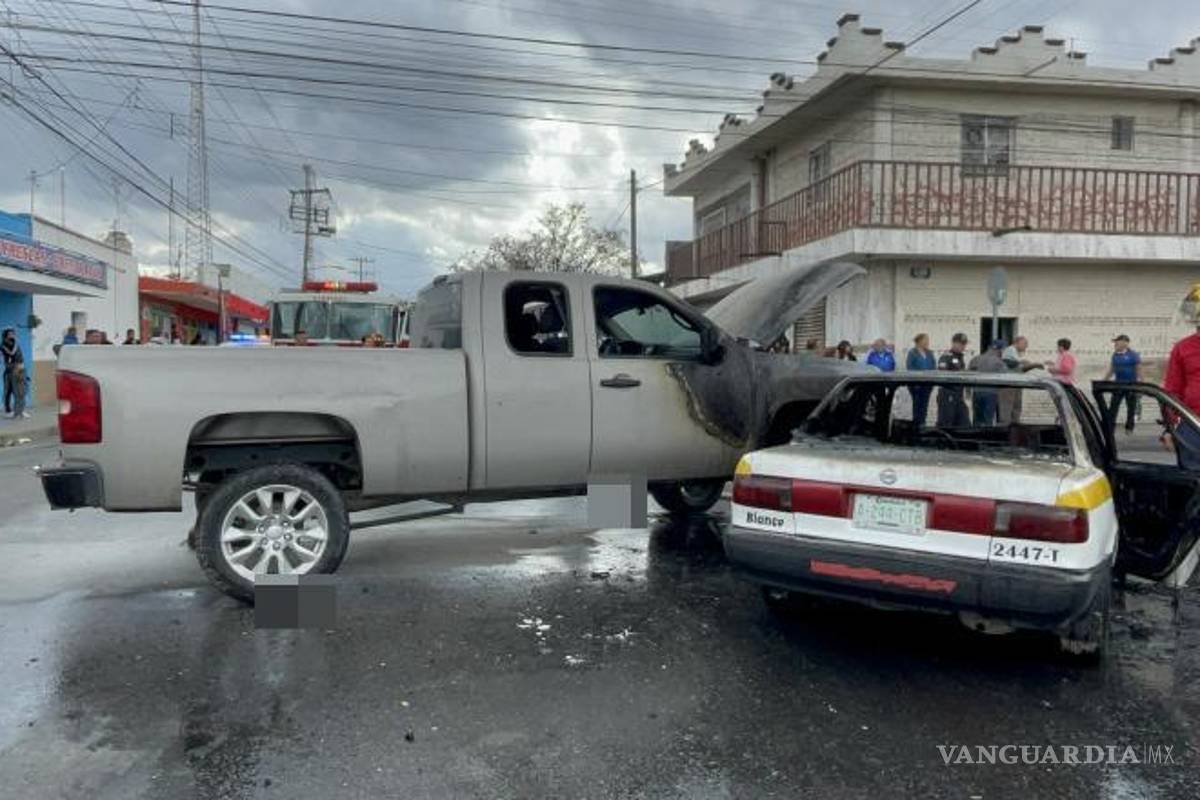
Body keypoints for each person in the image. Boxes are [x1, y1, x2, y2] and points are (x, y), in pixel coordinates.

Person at [1103, 334, 1143, 433]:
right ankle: (1110, 427)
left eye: (1117, 341)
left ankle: (1129, 427)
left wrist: (1141, 385)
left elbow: (1139, 370)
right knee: (1113, 407)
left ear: (1125, 342)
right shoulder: (1115, 355)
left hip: (1131, 385)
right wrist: (1104, 380)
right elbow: (1111, 370)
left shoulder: (1133, 355)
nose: (1115, 344)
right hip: (1118, 385)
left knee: (1131, 408)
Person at [969, 339, 1009, 425]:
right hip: (991, 393)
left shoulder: (975, 359)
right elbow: (1005, 378)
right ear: (1000, 350)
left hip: (977, 392)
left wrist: (968, 392)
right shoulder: (999, 363)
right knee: (988, 420)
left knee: (977, 420)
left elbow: (968, 376)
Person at [936, 332, 971, 427]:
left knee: (964, 423)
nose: (963, 346)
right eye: (961, 344)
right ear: (954, 343)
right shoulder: (946, 357)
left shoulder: (960, 358)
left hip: (958, 395)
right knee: (946, 422)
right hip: (948, 393)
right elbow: (942, 374)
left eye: (964, 344)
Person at [906, 333, 937, 427]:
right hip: (916, 385)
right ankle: (916, 425)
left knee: (924, 406)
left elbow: (933, 366)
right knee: (917, 406)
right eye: (925, 340)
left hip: (927, 384)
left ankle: (923, 424)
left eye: (928, 340)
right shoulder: (912, 353)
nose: (927, 342)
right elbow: (910, 367)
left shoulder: (929, 353)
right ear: (919, 341)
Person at [2, 328, 29, 418]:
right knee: (9, 391)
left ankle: (20, 410)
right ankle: (8, 410)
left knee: (20, 390)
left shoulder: (14, 343)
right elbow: (12, 353)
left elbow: (17, 355)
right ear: (6, 335)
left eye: (13, 333)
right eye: (10, 334)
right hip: (11, 370)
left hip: (19, 369)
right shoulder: (4, 344)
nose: (12, 335)